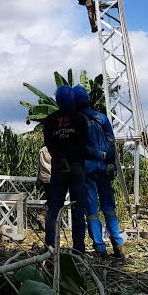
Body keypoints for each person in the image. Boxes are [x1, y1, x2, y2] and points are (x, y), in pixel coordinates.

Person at [41, 85, 98, 253]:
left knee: (54, 209)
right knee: (78, 209)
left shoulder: (50, 120)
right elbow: (83, 145)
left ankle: (50, 248)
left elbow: (49, 145)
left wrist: (61, 159)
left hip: (59, 168)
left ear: (58, 100)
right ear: (73, 99)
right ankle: (79, 250)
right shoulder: (80, 119)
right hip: (77, 168)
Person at [73, 85, 126, 259]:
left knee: (92, 209)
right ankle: (118, 244)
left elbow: (80, 147)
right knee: (109, 206)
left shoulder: (77, 120)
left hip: (87, 169)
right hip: (104, 167)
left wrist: (98, 154)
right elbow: (111, 141)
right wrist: (109, 160)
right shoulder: (102, 118)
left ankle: (100, 248)